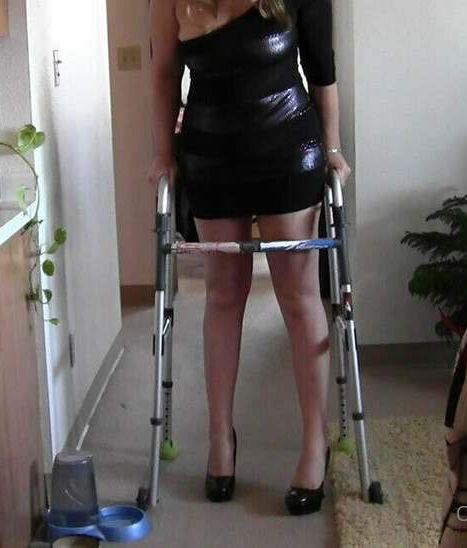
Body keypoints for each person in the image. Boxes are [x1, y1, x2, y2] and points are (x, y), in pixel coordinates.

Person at [146, 0, 351, 516]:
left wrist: (333, 149)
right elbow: (165, 72)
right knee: (222, 294)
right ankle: (220, 438)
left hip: (288, 147)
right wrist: (163, 154)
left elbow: (321, 68)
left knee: (298, 295)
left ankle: (314, 444)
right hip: (210, 154)